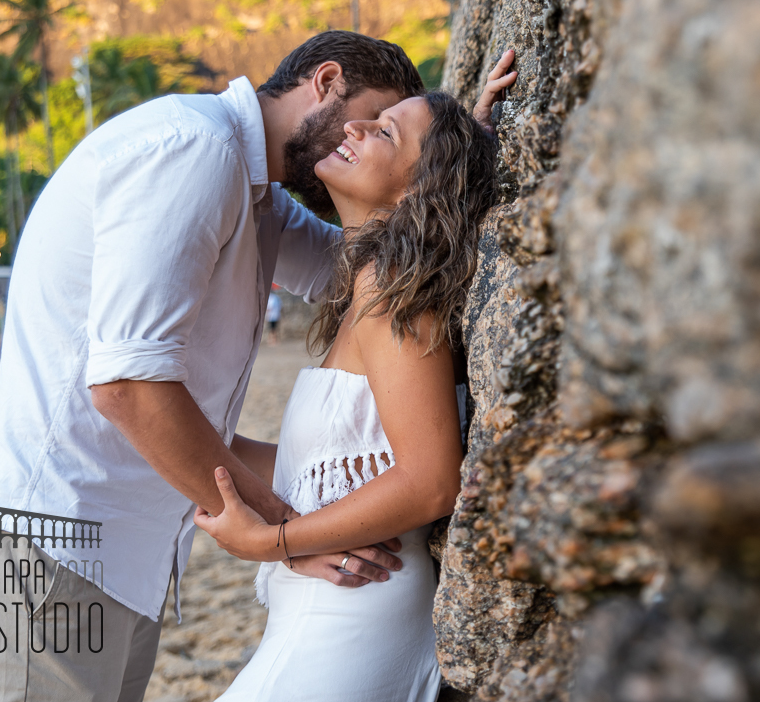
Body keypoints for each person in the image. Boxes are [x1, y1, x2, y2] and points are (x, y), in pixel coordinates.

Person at [0, 31, 428, 702]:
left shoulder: (254, 194)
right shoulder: (193, 149)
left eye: (385, 132)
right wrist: (282, 533)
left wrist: (458, 155)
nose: (362, 138)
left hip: (115, 564)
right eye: (369, 118)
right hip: (44, 548)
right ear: (326, 81)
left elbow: (357, 272)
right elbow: (129, 386)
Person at [195, 63, 518, 700]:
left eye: (387, 134)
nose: (357, 125)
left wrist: (272, 541)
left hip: (348, 618)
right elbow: (333, 464)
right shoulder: (376, 288)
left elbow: (431, 481)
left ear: (425, 189)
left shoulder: (394, 291)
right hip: (327, 617)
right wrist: (210, 458)